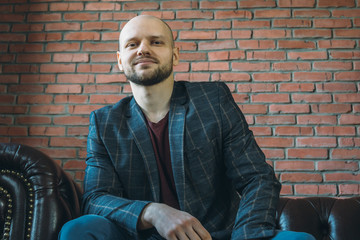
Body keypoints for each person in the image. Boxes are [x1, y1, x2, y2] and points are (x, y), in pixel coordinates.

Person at [59, 15, 315, 240]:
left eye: (156, 42)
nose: (143, 49)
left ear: (175, 54)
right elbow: (95, 199)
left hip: (217, 235)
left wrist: (245, 236)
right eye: (132, 44)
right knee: (78, 229)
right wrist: (153, 212)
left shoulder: (213, 100)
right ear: (120, 60)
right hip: (142, 236)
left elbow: (257, 178)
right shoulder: (104, 123)